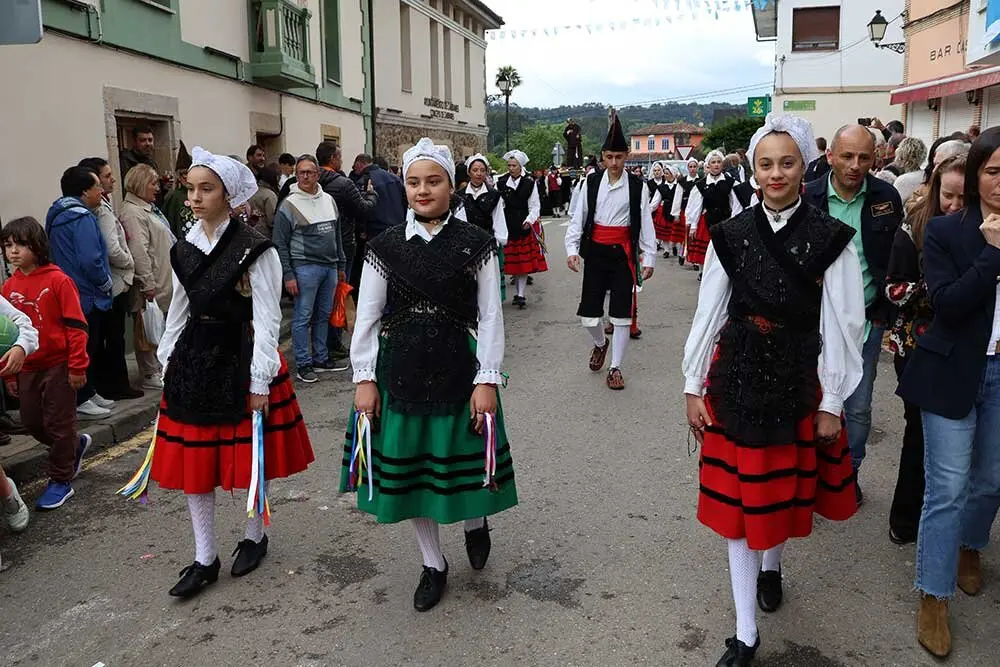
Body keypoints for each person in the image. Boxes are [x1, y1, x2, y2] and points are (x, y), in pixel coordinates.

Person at [683, 114, 863, 666]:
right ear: (753, 169)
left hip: (794, 380)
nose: (776, 173)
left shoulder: (830, 238)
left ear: (804, 164)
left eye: (787, 163)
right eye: (766, 164)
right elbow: (709, 308)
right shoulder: (731, 235)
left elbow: (844, 322)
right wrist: (693, 382)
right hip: (735, 378)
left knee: (773, 495)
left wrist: (833, 399)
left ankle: (774, 565)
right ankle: (745, 632)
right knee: (737, 506)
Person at [340, 138, 516, 612]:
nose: (422, 190)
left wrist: (487, 379)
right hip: (401, 370)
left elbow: (491, 315)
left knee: (459, 464)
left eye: (433, 181)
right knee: (416, 475)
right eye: (414, 182)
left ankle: (476, 522)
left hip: (459, 365)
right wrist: (364, 377)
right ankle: (432, 563)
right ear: (403, 186)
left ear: (452, 185)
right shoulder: (384, 247)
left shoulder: (475, 244)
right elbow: (369, 315)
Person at [146, 147, 313, 599]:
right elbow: (178, 309)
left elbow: (266, 316)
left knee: (247, 457)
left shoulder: (255, 248)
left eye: (207, 189)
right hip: (195, 361)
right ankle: (204, 557)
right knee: (195, 466)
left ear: (229, 194)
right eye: (191, 189)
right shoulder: (184, 248)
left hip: (239, 358)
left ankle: (255, 535)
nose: (195, 198)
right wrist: (168, 359)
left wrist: (260, 379)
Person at [895, 128, 1000, 658]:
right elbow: (951, 304)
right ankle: (933, 595)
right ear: (977, 172)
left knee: (992, 479)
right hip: (954, 368)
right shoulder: (944, 232)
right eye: (993, 171)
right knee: (948, 487)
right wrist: (993, 252)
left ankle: (970, 546)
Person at [803, 124, 903, 504]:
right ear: (830, 157)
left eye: (864, 157)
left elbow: (894, 256)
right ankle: (810, 476)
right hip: (813, 322)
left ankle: (849, 473)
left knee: (857, 405)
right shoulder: (808, 196)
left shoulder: (886, 197)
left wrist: (887, 312)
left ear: (875, 158)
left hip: (866, 319)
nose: (855, 165)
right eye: (847, 156)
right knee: (813, 400)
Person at [884, 154, 966, 548]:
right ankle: (905, 517)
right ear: (934, 190)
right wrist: (934, 289)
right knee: (919, 432)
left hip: (967, 346)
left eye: (962, 198)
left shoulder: (984, 230)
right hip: (916, 347)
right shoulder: (912, 226)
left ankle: (953, 522)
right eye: (947, 195)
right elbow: (893, 289)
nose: (953, 205)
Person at [1, 217, 89, 511]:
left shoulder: (58, 280)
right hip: (26, 367)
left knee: (59, 423)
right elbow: (7, 335)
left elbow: (76, 326)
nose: (14, 251)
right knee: (31, 421)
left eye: (21, 244)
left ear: (38, 245)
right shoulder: (8, 288)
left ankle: (61, 479)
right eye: (8, 245)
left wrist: (77, 366)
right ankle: (74, 447)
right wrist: (10, 375)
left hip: (59, 365)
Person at [565, 110, 656, 390]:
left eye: (619, 157)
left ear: (626, 156)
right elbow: (578, 218)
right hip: (595, 253)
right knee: (589, 317)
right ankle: (599, 343)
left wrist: (649, 255)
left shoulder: (638, 187)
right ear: (603, 157)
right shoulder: (589, 183)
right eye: (609, 157)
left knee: (621, 316)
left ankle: (615, 368)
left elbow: (644, 221)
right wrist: (571, 248)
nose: (614, 162)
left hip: (622, 255)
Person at [45, 166, 115, 418]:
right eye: (97, 186)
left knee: (84, 346)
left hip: (69, 289)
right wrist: (105, 282)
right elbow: (90, 259)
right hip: (86, 293)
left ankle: (89, 390)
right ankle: (82, 398)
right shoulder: (82, 217)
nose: (101, 191)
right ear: (85, 191)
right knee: (86, 345)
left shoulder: (57, 213)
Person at [273, 154, 347, 383]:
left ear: (318, 174)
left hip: (330, 267)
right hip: (304, 267)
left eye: (310, 172)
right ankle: (304, 364)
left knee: (323, 315)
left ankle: (321, 358)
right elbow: (279, 243)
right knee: (303, 317)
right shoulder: (289, 204)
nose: (306, 176)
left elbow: (337, 235)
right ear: (296, 174)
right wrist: (288, 274)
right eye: (301, 172)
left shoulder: (328, 200)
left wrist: (341, 264)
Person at [77, 157, 142, 401]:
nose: (112, 179)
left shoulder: (100, 205)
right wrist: (129, 262)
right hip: (113, 282)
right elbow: (111, 248)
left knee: (108, 337)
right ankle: (115, 385)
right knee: (112, 337)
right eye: (106, 176)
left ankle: (109, 385)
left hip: (110, 282)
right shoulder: (100, 210)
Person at [316, 142, 377, 361]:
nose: (342, 161)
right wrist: (371, 194)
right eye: (340, 157)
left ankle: (319, 346)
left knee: (317, 302)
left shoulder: (308, 182)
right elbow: (363, 208)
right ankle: (333, 341)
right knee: (339, 296)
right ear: (332, 158)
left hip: (314, 248)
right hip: (342, 245)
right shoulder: (343, 183)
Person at [119, 164, 176, 392]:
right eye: (153, 183)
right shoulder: (132, 212)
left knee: (158, 323)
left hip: (164, 274)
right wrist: (147, 282)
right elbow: (139, 250)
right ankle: (150, 372)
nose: (157, 188)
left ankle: (160, 366)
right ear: (140, 183)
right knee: (147, 327)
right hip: (152, 281)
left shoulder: (148, 208)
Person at [676, 150, 743, 276]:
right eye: (713, 162)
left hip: (725, 221)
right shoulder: (701, 185)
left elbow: (736, 205)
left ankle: (724, 273)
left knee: (724, 250)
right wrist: (693, 225)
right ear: (709, 165)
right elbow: (695, 206)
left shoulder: (730, 183)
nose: (716, 165)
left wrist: (735, 222)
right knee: (706, 249)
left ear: (722, 164)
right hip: (709, 221)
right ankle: (704, 271)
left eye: (718, 162)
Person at [498, 150, 545, 308]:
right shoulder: (502, 181)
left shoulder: (529, 182)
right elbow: (499, 204)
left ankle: (520, 294)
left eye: (514, 165)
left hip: (523, 224)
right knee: (512, 263)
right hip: (507, 224)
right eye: (509, 165)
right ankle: (517, 292)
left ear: (521, 166)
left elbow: (535, 205)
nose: (511, 168)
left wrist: (529, 220)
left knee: (522, 263)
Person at [460, 154, 508, 298]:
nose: (479, 173)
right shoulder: (460, 196)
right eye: (475, 170)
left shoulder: (494, 195)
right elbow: (459, 222)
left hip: (487, 243)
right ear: (469, 172)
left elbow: (499, 218)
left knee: (488, 283)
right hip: (466, 244)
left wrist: (499, 240)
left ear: (486, 172)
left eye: (482, 170)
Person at [162, 141, 198, 239]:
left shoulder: (200, 194)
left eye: (188, 172)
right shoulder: (173, 197)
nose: (186, 177)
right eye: (182, 174)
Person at [248, 164, 280, 240]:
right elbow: (272, 220)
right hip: (265, 233)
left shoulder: (251, 192)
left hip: (251, 230)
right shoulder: (269, 195)